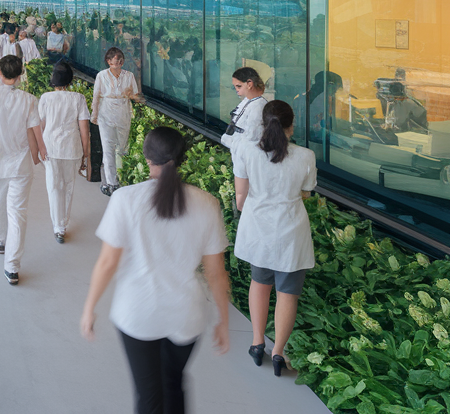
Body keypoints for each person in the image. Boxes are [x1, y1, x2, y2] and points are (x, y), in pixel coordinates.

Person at [80, 126, 231, 414]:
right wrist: (222, 320)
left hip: (138, 312)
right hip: (186, 314)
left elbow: (108, 262)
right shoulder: (207, 204)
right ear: (183, 158)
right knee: (174, 383)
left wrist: (89, 307)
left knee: (148, 394)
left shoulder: (125, 199)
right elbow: (216, 273)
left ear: (147, 158)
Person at [234, 100, 316, 377]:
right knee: (288, 294)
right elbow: (305, 193)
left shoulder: (246, 150)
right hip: (291, 231)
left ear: (262, 124)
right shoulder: (305, 156)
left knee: (259, 284)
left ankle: (258, 343)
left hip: (259, 229)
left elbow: (241, 196)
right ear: (292, 127)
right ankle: (279, 352)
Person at [0, 55, 44, 285]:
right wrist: (41, 151)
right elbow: (35, 129)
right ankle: (12, 267)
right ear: (21, 74)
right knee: (18, 213)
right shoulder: (30, 100)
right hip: (20, 164)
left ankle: (0, 240)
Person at [38, 61, 90, 242]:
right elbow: (84, 129)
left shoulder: (45, 98)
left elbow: (41, 125)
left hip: (50, 148)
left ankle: (56, 224)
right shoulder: (79, 99)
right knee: (68, 186)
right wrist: (86, 153)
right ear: (70, 81)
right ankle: (62, 227)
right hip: (72, 148)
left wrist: (39, 147)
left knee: (53, 186)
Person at [93, 47, 145, 196]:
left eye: (120, 59)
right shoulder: (101, 76)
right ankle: (111, 183)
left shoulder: (129, 76)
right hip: (106, 113)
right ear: (108, 61)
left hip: (123, 112)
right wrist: (94, 115)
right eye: (115, 59)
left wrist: (136, 98)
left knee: (122, 148)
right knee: (108, 147)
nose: (119, 61)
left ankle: (121, 179)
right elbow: (96, 95)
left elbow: (135, 95)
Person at [222, 67, 267, 158]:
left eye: (239, 86)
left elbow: (252, 138)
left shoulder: (258, 106)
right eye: (234, 86)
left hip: (248, 156)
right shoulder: (247, 101)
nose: (236, 89)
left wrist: (228, 140)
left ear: (249, 84)